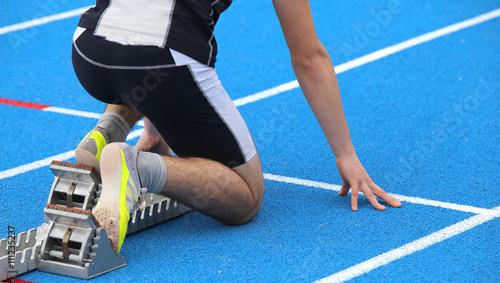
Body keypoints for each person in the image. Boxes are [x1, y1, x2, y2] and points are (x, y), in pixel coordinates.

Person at [72, 0, 402, 253]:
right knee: (246, 197)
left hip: (88, 49)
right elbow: (308, 58)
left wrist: (155, 130)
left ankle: (108, 129)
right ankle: (136, 167)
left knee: (139, 51)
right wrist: (345, 153)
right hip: (161, 62)